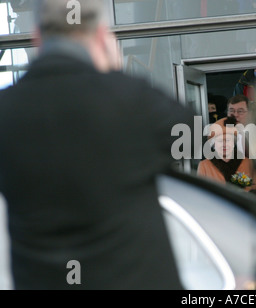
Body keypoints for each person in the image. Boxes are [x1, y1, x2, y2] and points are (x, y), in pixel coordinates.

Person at [0, 0, 194, 289]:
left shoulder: (7, 111)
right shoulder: (131, 100)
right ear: (102, 36)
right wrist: (113, 74)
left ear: (37, 37)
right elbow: (190, 135)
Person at [197, 120, 256, 200]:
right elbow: (199, 196)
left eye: (227, 140)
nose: (224, 145)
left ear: (233, 143)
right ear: (213, 145)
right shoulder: (204, 166)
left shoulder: (247, 162)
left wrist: (255, 196)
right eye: (220, 141)